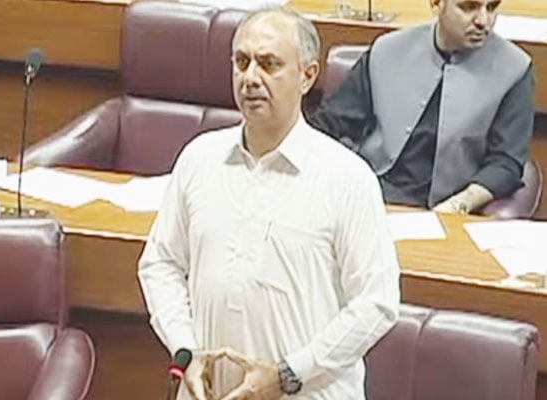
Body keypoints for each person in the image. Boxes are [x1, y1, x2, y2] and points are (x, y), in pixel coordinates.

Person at [138, 6, 399, 400]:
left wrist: (289, 373)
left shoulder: (348, 178)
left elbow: (376, 302)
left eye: (269, 64)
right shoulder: (198, 158)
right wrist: (185, 349)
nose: (250, 78)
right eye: (241, 62)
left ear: (308, 75)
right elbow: (160, 263)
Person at [309, 0, 534, 214]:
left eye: (492, 6)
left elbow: (506, 163)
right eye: (468, 7)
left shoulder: (515, 69)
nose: (483, 21)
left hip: (447, 204)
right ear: (436, 3)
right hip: (368, 193)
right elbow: (333, 122)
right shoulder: (387, 49)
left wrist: (459, 205)